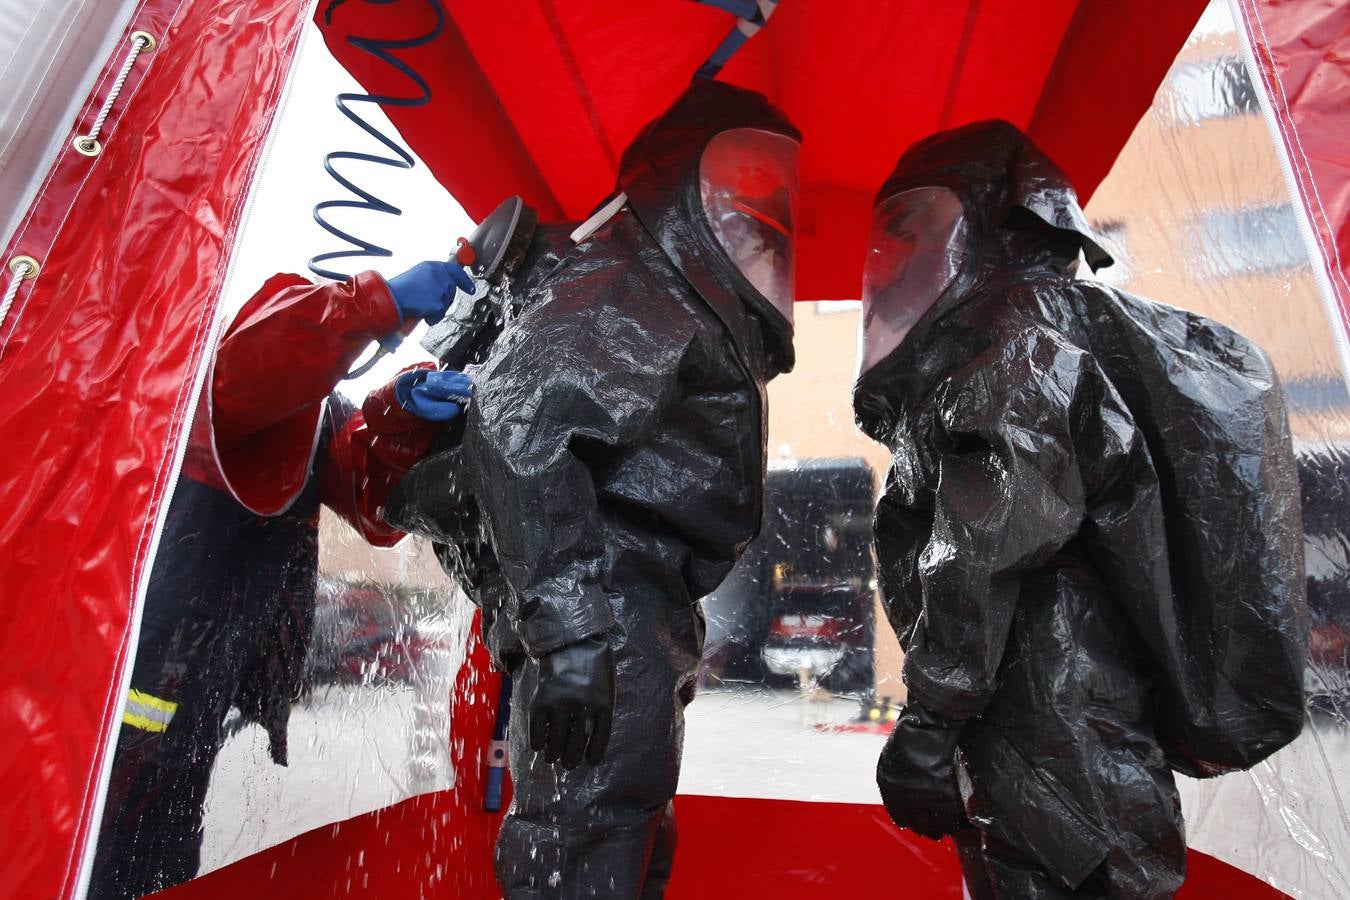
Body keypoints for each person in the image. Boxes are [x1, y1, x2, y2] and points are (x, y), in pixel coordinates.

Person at [853, 121, 1305, 899]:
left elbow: (985, 542)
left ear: (996, 228)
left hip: (1057, 709)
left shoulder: (1017, 339)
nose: (894, 262)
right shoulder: (1040, 332)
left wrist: (932, 718)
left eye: (915, 231)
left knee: (1076, 872)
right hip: (1059, 710)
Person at [424, 81, 801, 898]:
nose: (763, 203)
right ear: (680, 180)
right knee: (587, 843)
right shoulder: (635, 275)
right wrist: (574, 633)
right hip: (607, 599)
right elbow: (520, 424)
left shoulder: (659, 279)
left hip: (629, 604)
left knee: (614, 836)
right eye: (741, 175)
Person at [90, 260, 476, 900]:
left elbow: (374, 506)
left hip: (196, 700)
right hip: (128, 693)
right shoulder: (204, 388)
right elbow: (258, 372)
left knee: (159, 857)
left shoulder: (319, 415)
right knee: (98, 850)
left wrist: (403, 413)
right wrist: (373, 305)